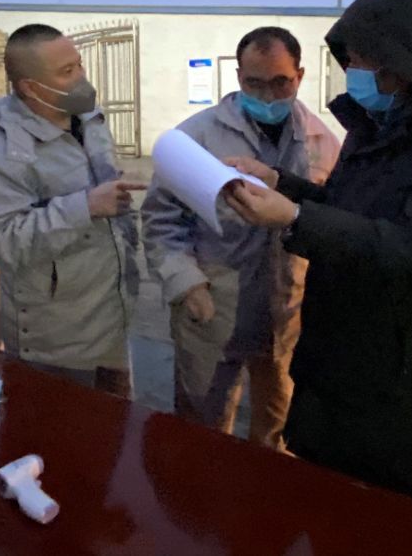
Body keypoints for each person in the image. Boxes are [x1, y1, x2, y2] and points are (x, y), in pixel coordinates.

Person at [224, 0, 412, 500]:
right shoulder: (376, 122)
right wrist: (280, 182)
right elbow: (345, 208)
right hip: (330, 365)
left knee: (387, 524)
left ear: (405, 56)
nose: (353, 70)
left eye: (363, 59)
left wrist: (294, 217)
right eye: (349, 58)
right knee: (321, 507)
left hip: (396, 381)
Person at [142, 27, 340, 448]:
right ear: (238, 77)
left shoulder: (321, 141)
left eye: (280, 82)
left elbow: (334, 220)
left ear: (300, 76)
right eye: (255, 83)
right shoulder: (195, 139)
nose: (267, 96)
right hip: (213, 308)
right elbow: (160, 221)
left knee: (279, 428)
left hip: (287, 314)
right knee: (203, 428)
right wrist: (187, 284)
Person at [0, 24, 144, 397]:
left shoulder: (89, 121)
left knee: (115, 427)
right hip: (56, 342)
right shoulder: (2, 152)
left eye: (79, 64)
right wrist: (86, 207)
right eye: (67, 71)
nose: (82, 77)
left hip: (110, 321)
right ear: (31, 87)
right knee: (64, 430)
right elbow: (0, 243)